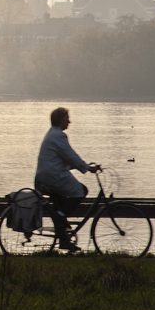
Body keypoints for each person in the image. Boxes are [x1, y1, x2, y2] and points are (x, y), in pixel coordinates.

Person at [34, 107, 100, 252]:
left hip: (46, 177)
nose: (69, 121)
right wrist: (87, 168)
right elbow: (71, 156)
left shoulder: (52, 134)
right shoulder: (59, 136)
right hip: (52, 178)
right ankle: (60, 218)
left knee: (61, 205)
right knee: (80, 191)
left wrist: (83, 166)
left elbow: (64, 159)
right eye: (67, 118)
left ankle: (63, 235)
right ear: (60, 120)